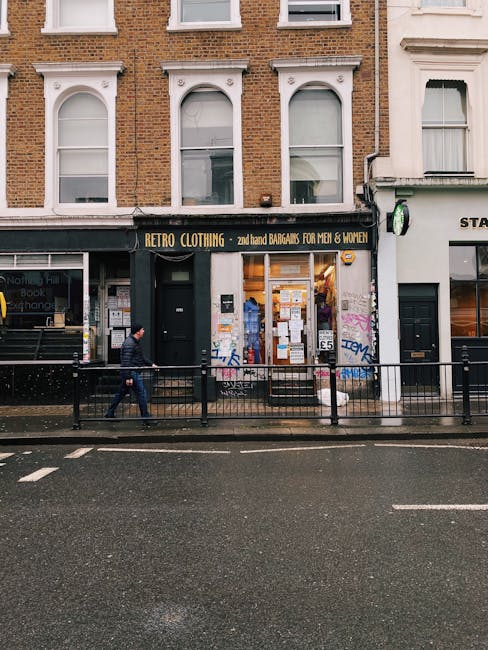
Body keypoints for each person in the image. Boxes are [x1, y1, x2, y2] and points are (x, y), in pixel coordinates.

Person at [105, 323, 157, 422]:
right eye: (142, 329)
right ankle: (146, 418)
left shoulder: (134, 342)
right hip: (132, 372)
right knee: (142, 393)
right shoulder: (130, 343)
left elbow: (140, 357)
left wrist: (151, 364)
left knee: (121, 393)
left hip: (131, 371)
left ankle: (110, 413)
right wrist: (128, 377)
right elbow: (126, 361)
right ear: (137, 331)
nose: (143, 331)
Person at [244, 296, 261, 363]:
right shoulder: (250, 306)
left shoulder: (247, 306)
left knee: (250, 350)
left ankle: (254, 364)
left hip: (250, 332)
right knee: (253, 349)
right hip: (252, 332)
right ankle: (256, 364)